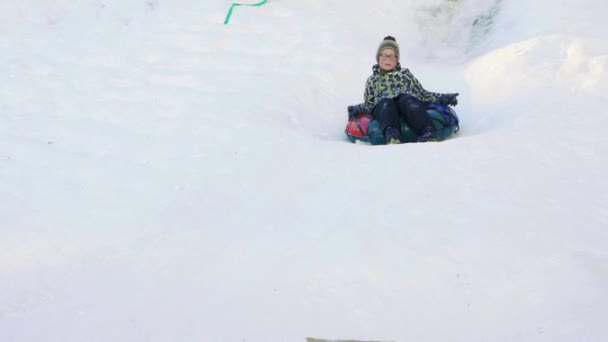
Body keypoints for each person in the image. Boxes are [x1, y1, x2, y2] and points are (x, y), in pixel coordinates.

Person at [347, 36, 459, 144]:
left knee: (407, 100)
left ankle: (427, 131)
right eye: (384, 56)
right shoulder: (372, 80)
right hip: (384, 107)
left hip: (406, 105)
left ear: (397, 59)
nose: (388, 59)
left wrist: (442, 98)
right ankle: (392, 135)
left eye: (392, 56)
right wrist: (357, 108)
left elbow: (423, 94)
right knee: (385, 103)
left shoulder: (405, 74)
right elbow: (370, 103)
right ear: (378, 58)